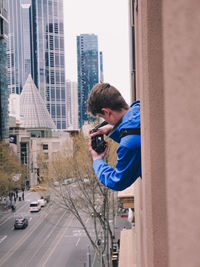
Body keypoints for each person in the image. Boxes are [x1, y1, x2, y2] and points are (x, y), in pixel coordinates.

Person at [87, 83, 141, 191]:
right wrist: (113, 130)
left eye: (103, 117)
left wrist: (97, 160)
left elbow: (117, 181)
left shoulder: (128, 145)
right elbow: (136, 135)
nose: (105, 121)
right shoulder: (140, 107)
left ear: (107, 112)